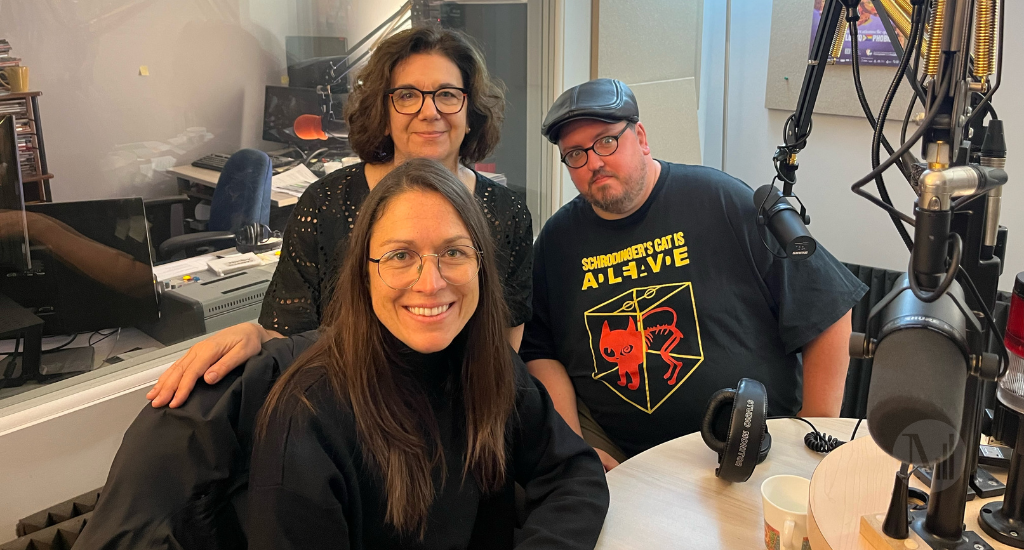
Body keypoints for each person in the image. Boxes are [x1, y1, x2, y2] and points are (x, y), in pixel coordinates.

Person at [147, 25, 533, 408]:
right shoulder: (326, 204)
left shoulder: (506, 214)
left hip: (463, 418)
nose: (428, 111)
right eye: (408, 95)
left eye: (447, 95)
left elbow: (502, 352)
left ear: (471, 114)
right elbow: (287, 336)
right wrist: (256, 337)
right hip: (347, 418)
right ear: (384, 112)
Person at [247, 158, 608, 548]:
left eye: (453, 253)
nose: (430, 284)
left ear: (481, 265)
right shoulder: (306, 419)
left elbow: (574, 472)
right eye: (400, 256)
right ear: (364, 274)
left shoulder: (488, 361)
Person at [519, 78, 868, 471]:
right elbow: (539, 350)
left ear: (641, 137)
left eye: (605, 142)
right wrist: (574, 450)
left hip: (754, 451)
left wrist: (810, 432)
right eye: (575, 154)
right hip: (627, 465)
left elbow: (827, 306)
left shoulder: (721, 200)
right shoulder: (556, 243)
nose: (594, 162)